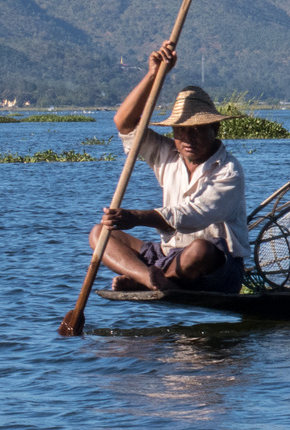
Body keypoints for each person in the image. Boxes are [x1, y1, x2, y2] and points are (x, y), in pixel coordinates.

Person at [91, 41, 249, 293]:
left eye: (197, 130)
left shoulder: (229, 170)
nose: (188, 139)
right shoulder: (167, 153)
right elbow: (124, 122)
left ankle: (159, 279)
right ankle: (148, 279)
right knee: (100, 234)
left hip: (217, 269)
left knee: (200, 248)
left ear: (214, 129)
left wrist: (136, 217)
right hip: (168, 255)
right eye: (181, 131)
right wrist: (154, 75)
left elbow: (192, 215)